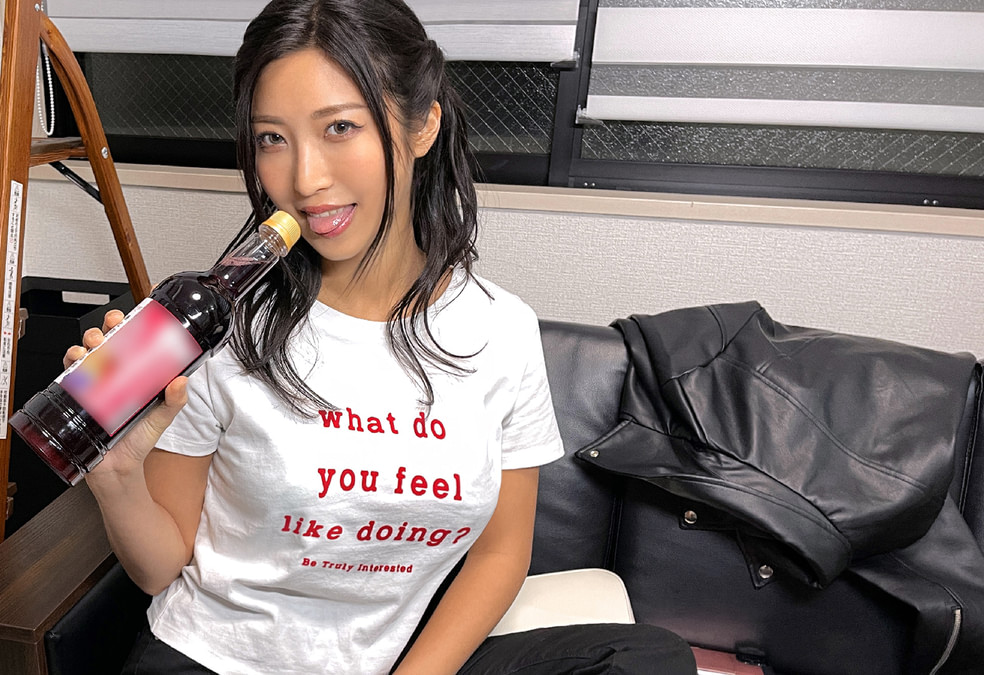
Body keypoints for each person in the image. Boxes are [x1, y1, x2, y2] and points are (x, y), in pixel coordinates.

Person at [71, 1, 698, 673]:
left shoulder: (501, 331)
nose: (305, 179)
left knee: (646, 658)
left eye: (340, 127)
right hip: (218, 658)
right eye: (272, 138)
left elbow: (500, 554)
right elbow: (160, 568)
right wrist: (116, 476)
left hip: (393, 661)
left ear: (421, 125)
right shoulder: (219, 325)